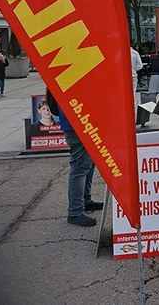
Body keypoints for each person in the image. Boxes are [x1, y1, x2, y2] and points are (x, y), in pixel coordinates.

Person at [46, 87, 103, 227]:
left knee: (88, 163)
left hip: (82, 119)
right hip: (76, 121)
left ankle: (85, 200)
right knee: (80, 166)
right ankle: (75, 212)